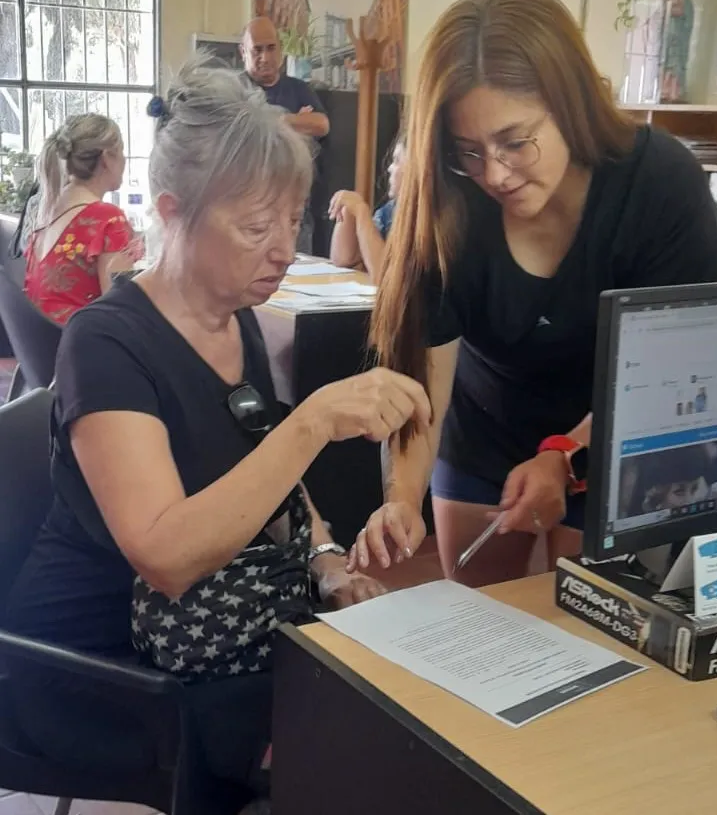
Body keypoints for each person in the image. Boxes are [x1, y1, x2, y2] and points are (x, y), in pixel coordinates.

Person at [6, 55, 430, 807]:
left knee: (385, 700)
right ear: (171, 213)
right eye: (255, 226)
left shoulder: (235, 318)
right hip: (103, 664)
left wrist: (328, 559)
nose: (280, 249)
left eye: (291, 221)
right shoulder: (105, 343)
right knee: (346, 741)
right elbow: (167, 555)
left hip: (214, 634)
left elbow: (266, 470)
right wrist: (316, 418)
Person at [344, 0, 717, 588]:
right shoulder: (447, 197)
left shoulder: (658, 185)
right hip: (481, 431)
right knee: (484, 624)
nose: (493, 173)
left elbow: (679, 369)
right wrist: (403, 500)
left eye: (516, 142)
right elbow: (424, 377)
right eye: (469, 150)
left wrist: (566, 457)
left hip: (616, 437)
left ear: (569, 101)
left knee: (591, 624)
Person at [23, 113, 143, 325]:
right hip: (83, 349)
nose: (125, 159)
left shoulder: (47, 213)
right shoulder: (108, 218)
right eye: (122, 151)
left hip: (45, 351)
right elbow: (123, 315)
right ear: (107, 158)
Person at [241, 16, 330, 254]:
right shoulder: (236, 90)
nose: (265, 57)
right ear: (243, 52)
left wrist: (275, 120)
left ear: (280, 49)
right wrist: (297, 121)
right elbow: (239, 131)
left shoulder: (298, 89)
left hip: (295, 211)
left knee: (298, 283)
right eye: (257, 50)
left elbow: (321, 124)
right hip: (248, 212)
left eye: (271, 48)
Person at [329, 137, 406, 281]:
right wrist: (349, 211)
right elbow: (343, 259)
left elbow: (384, 275)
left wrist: (361, 211)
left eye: (396, 161)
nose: (389, 169)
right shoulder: (389, 210)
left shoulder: (428, 219)